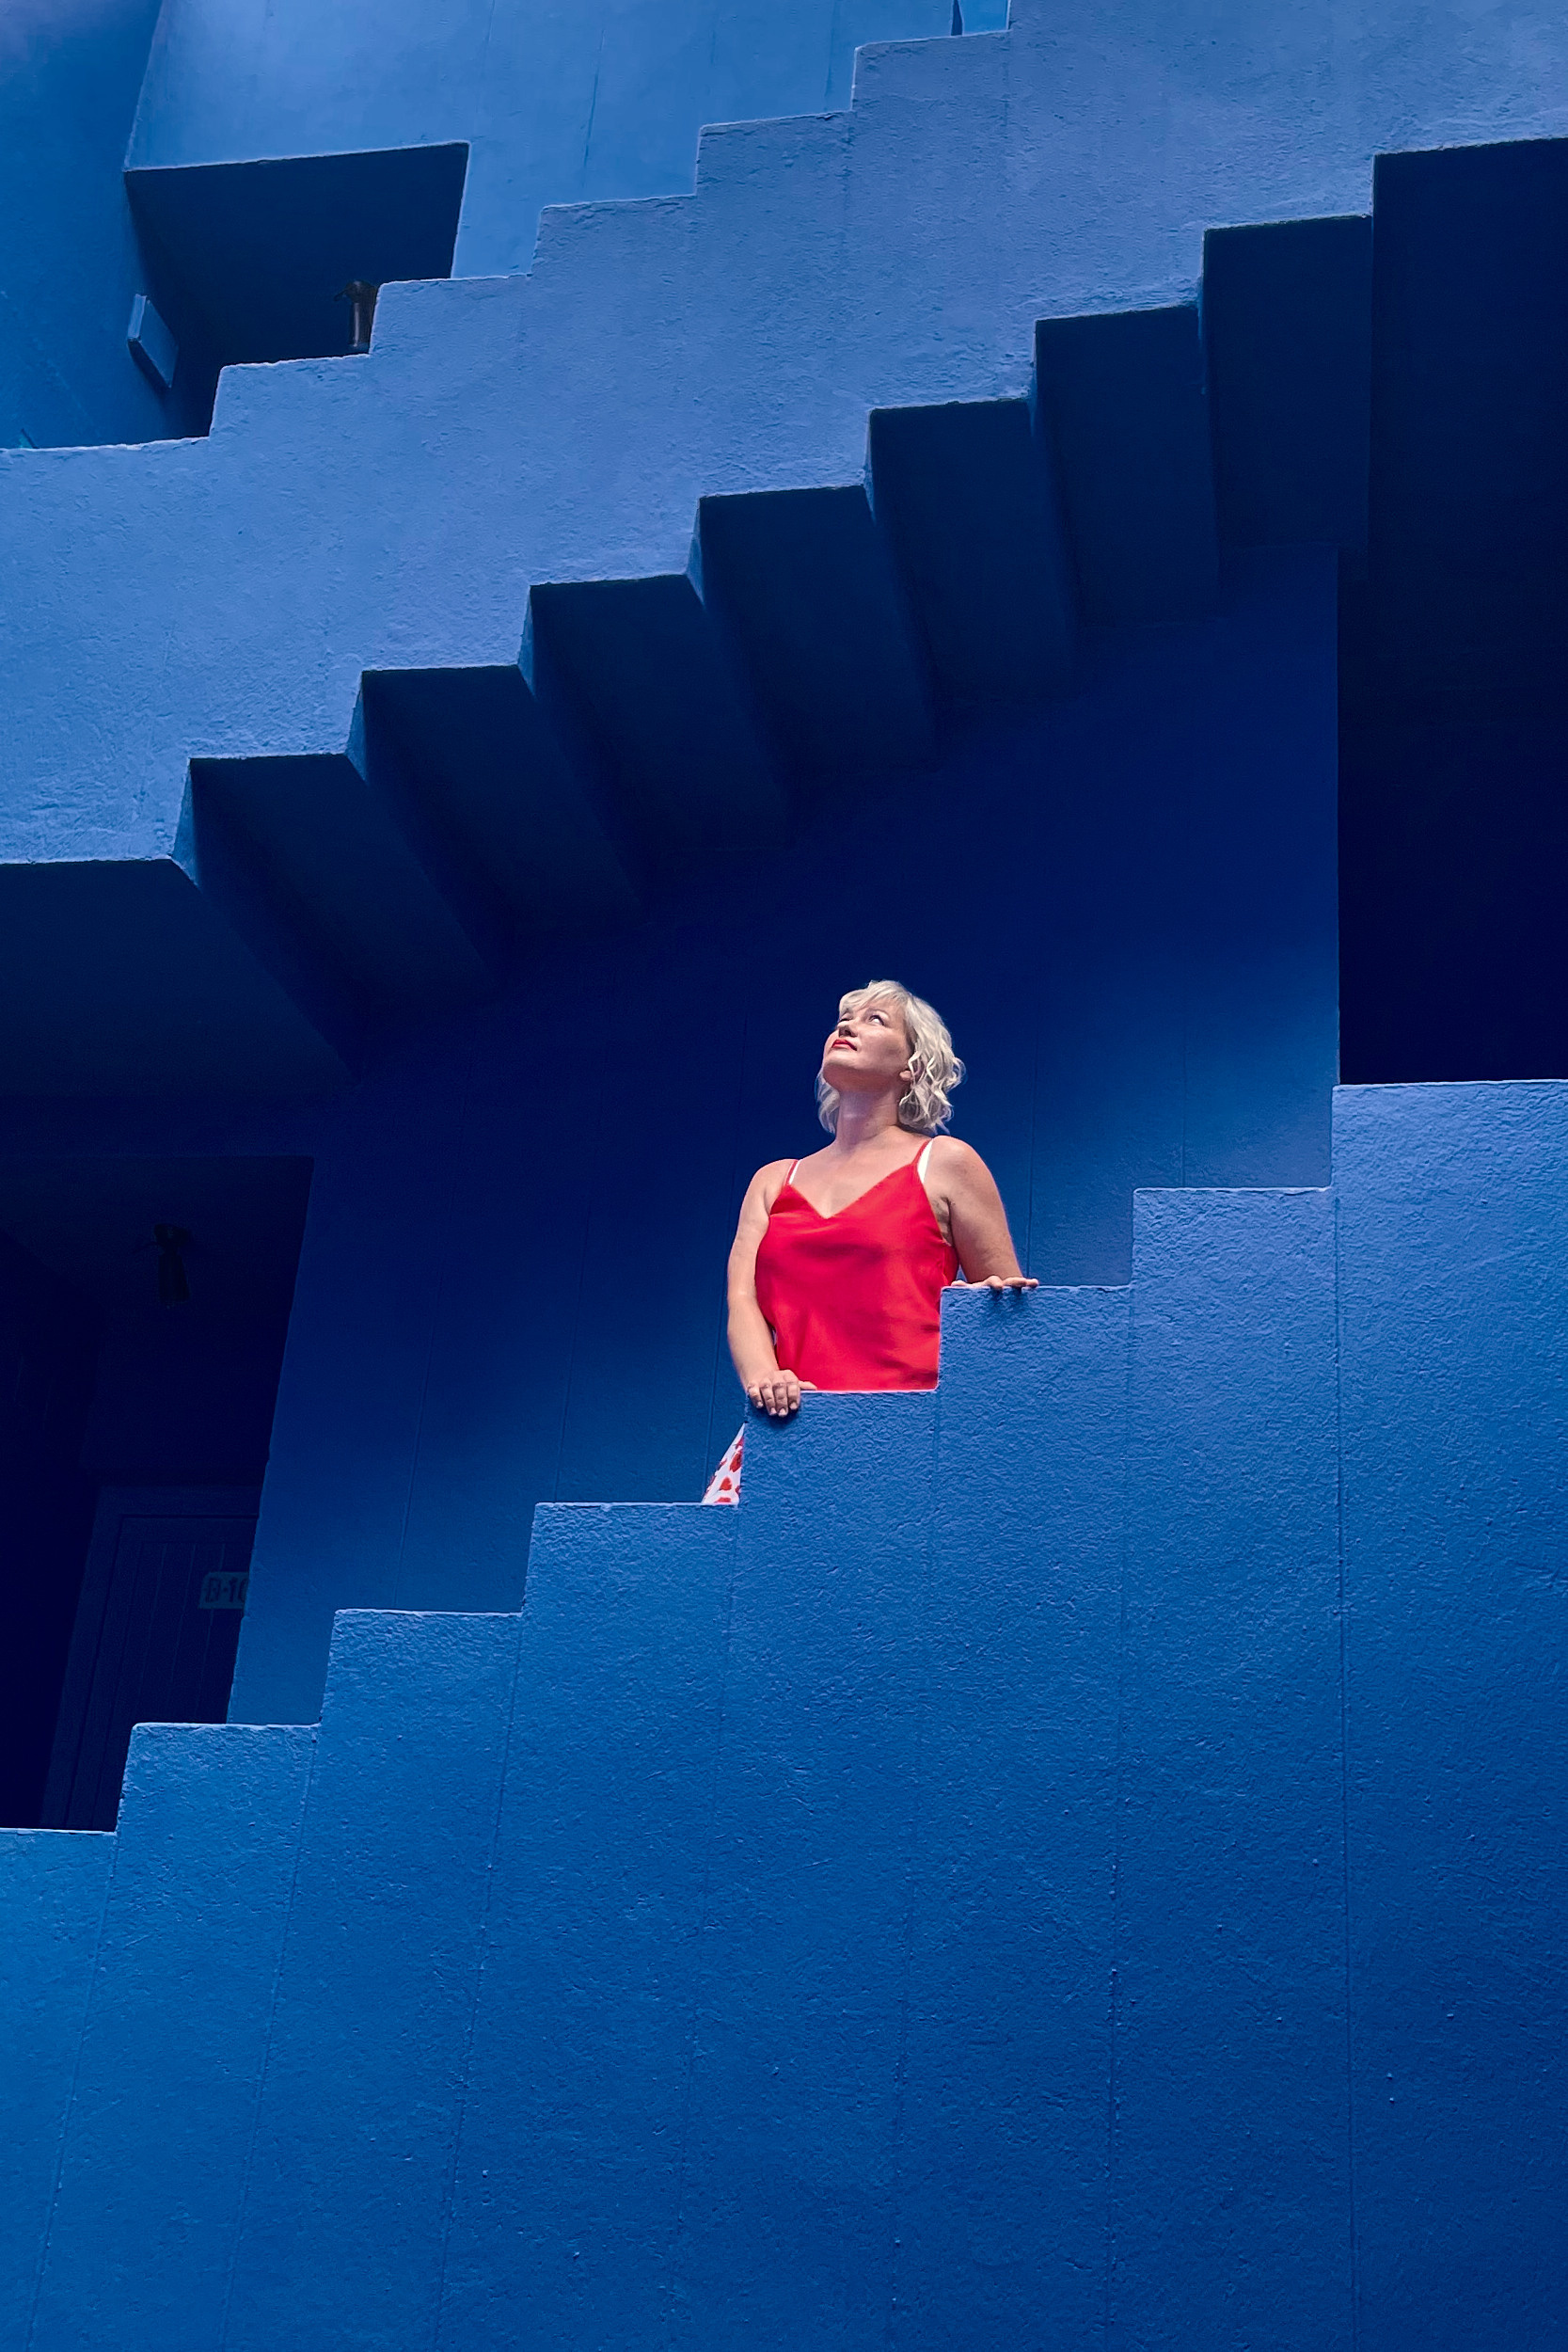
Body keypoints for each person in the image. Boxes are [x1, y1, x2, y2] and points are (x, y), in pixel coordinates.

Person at [703, 980, 1036, 1502]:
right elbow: (742, 1298)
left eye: (874, 1019)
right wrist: (765, 1378)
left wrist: (990, 1301)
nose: (847, 1025)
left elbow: (1005, 1303)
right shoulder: (773, 1180)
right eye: (844, 1017)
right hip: (792, 1426)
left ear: (911, 1067)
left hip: (917, 1429)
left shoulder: (946, 1163)